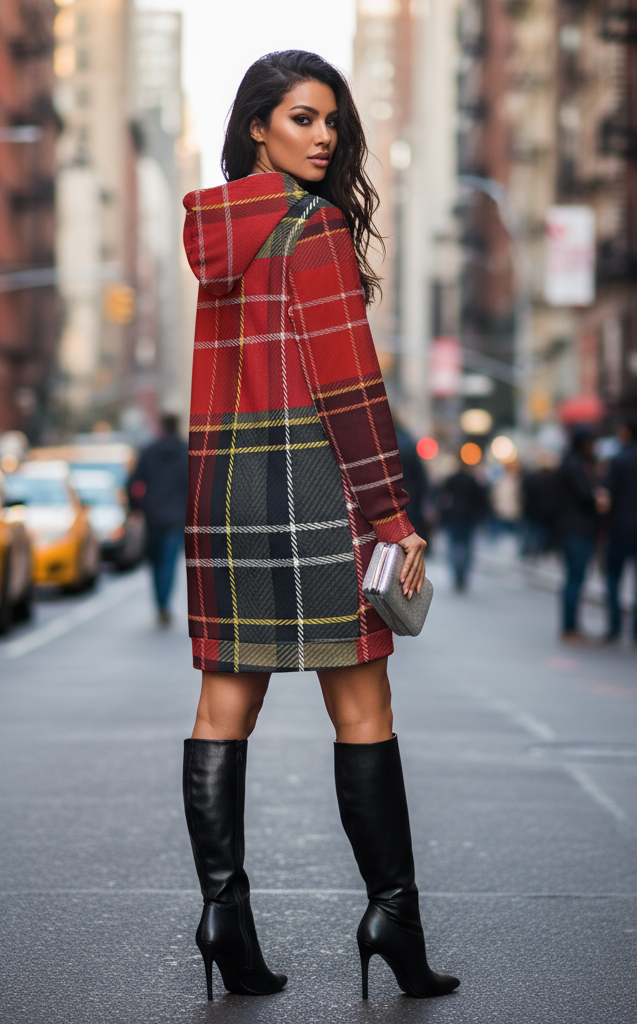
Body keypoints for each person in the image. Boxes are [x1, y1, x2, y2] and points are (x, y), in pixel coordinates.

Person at [181, 51, 459, 1002]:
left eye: (331, 122)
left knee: (224, 708)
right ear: (257, 124)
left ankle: (224, 915)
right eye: (303, 118)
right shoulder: (315, 225)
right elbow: (347, 386)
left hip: (226, 492)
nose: (324, 137)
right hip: (314, 489)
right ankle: (392, 916)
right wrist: (390, 514)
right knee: (364, 711)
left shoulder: (218, 228)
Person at [129, 413, 188, 626]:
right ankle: (164, 604)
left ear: (162, 427)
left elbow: (134, 482)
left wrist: (136, 507)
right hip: (176, 516)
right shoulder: (186, 451)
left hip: (152, 515)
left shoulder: (148, 451)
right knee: (169, 562)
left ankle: (160, 603)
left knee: (155, 562)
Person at [554, 427, 599, 643]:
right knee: (574, 579)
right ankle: (570, 627)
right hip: (576, 530)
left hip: (572, 529)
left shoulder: (570, 464)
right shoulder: (575, 465)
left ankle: (570, 626)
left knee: (573, 579)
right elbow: (585, 496)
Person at [604, 414, 637, 641]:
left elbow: (606, 497)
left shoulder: (618, 461)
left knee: (613, 579)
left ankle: (615, 627)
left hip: (620, 529)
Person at [437, 458, 488, 591]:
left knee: (453, 547)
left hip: (453, 517)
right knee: (467, 547)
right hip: (468, 519)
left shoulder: (451, 480)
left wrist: (443, 516)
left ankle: (456, 574)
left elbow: (442, 499)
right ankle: (463, 575)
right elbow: (482, 501)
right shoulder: (473, 481)